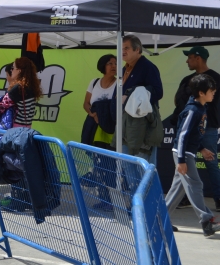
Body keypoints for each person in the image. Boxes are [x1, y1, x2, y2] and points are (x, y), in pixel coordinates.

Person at [165, 74, 220, 237]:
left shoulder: (201, 108)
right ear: (201, 93)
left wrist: (201, 148)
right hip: (183, 154)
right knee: (195, 185)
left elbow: (194, 133)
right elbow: (182, 135)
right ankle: (207, 221)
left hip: (187, 153)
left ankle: (159, 218)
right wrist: (181, 160)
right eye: (211, 90)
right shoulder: (192, 110)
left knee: (178, 189)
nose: (214, 92)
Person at [171, 46, 220, 211]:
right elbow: (177, 100)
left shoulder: (216, 78)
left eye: (190, 57)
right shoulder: (187, 81)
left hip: (210, 126)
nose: (187, 61)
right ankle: (185, 200)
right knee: (184, 167)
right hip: (189, 127)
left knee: (211, 162)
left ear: (198, 58)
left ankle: (218, 199)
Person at [120, 34, 164, 163]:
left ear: (137, 49)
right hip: (126, 126)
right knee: (127, 167)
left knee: (141, 169)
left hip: (142, 127)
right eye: (121, 48)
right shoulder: (124, 69)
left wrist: (130, 97)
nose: (122, 51)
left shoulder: (148, 67)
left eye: (126, 48)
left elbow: (158, 92)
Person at [82, 54, 118, 148]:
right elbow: (86, 103)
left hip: (111, 127)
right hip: (94, 126)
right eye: (110, 63)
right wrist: (92, 113)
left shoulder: (119, 84)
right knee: (96, 156)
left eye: (116, 63)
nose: (114, 66)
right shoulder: (94, 82)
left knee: (110, 156)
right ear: (103, 66)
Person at [8, 57, 43, 128]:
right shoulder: (32, 86)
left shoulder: (18, 88)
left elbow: (2, 106)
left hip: (14, 129)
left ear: (19, 71)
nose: (11, 70)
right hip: (27, 128)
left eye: (13, 68)